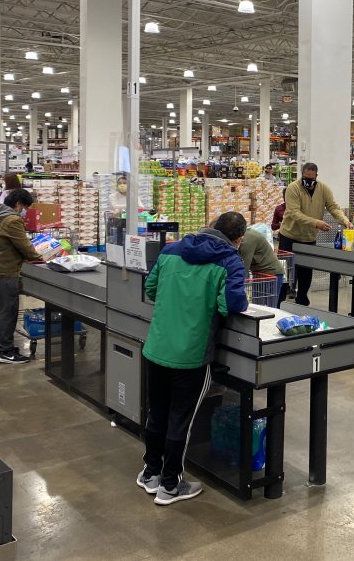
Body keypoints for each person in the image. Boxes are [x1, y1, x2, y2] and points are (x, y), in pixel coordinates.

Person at [138, 212, 249, 505]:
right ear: (238, 239)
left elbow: (150, 289)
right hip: (191, 355)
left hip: (157, 347)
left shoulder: (172, 249)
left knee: (156, 412)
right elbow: (232, 305)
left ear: (211, 226)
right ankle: (170, 485)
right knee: (180, 421)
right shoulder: (230, 262)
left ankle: (150, 473)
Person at [278, 162, 353, 305]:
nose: (308, 181)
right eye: (306, 178)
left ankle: (302, 302)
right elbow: (294, 213)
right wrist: (316, 223)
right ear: (302, 175)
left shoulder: (323, 189)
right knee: (284, 274)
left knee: (306, 273)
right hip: (288, 238)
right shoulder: (293, 188)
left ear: (316, 176)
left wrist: (345, 220)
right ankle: (279, 302)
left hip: (309, 239)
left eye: (312, 179)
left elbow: (333, 207)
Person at [0, 189, 42, 364]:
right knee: (7, 311)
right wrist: (41, 257)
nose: (25, 212)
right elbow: (25, 247)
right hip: (5, 270)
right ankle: (7, 351)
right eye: (25, 207)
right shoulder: (12, 220)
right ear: (18, 204)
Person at [238, 227, 285, 307]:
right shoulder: (245, 236)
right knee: (258, 306)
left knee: (270, 309)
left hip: (271, 273)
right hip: (260, 274)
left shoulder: (247, 240)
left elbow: (243, 268)